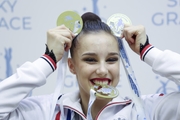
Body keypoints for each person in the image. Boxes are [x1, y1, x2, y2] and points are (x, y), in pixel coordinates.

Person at [0, 12, 180, 120]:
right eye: (90, 60)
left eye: (111, 60)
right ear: (71, 66)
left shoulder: (147, 110)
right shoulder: (47, 111)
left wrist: (148, 51)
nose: (102, 70)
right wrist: (48, 59)